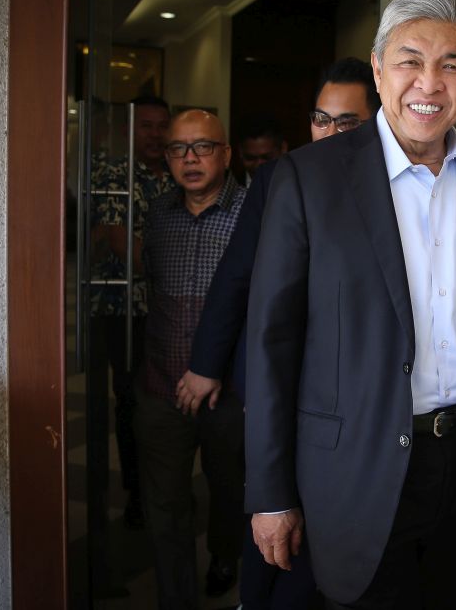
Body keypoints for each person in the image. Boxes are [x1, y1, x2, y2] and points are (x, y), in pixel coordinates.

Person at [244, 0, 456, 609]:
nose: (430, 81)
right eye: (410, 60)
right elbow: (271, 346)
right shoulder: (308, 180)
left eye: (452, 63)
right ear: (377, 68)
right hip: (356, 468)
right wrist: (270, 493)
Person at [175, 57, 380, 609]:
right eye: (320, 119)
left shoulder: (392, 188)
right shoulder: (279, 178)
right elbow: (238, 273)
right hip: (279, 377)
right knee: (270, 504)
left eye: (348, 123)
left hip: (353, 389)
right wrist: (206, 363)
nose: (330, 134)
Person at [133, 109, 247, 607]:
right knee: (165, 505)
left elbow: (264, 307)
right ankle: (175, 599)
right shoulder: (156, 214)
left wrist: (218, 368)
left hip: (228, 392)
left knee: (230, 490)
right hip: (161, 386)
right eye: (179, 149)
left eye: (203, 147)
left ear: (225, 153)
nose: (191, 158)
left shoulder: (251, 215)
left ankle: (225, 555)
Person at [90, 95, 175, 528]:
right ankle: (137, 495)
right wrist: (179, 272)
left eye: (162, 126)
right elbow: (119, 241)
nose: (156, 134)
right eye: (147, 126)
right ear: (130, 130)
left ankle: (165, 491)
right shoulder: (115, 173)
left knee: (168, 404)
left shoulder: (175, 175)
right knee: (131, 403)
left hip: (168, 311)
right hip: (123, 310)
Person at [234, 111, 287, 186]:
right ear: (241, 152)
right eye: (251, 158)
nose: (258, 165)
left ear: (283, 149)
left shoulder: (296, 185)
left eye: (266, 157)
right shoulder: (232, 189)